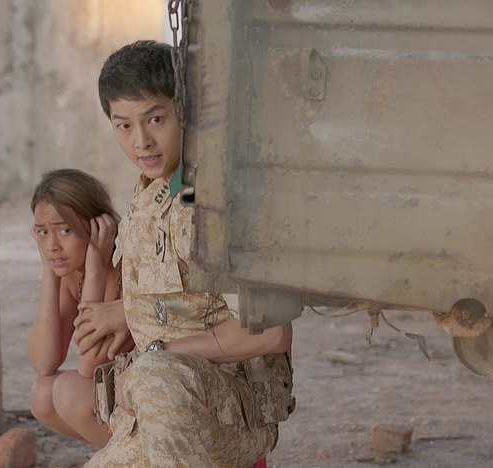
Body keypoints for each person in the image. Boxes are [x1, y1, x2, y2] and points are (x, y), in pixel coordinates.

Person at [84, 40, 296, 467]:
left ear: (187, 112)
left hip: (228, 411)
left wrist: (156, 353)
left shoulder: (219, 205)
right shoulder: (150, 195)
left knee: (155, 373)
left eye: (155, 119)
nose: (141, 141)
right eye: (123, 125)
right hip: (161, 415)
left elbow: (270, 333)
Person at [27, 168, 134, 448]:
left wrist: (96, 269)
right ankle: (127, 457)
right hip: (124, 394)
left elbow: (88, 365)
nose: (52, 245)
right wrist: (49, 272)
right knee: (42, 394)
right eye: (43, 232)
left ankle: (139, 459)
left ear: (98, 225)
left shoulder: (128, 265)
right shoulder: (72, 272)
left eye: (65, 230)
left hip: (154, 396)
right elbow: (44, 362)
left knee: (70, 392)